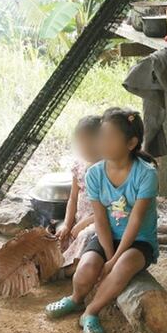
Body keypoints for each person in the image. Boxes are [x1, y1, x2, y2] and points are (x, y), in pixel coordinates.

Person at [44, 108, 159, 333]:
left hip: (139, 240)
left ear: (131, 143)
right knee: (86, 268)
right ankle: (76, 299)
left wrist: (114, 260)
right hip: (107, 235)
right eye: (101, 136)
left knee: (123, 265)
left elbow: (135, 221)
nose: (102, 143)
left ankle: (90, 311)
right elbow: (101, 220)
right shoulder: (94, 174)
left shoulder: (146, 174)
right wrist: (107, 254)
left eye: (110, 137)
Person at [56, 115, 102, 271]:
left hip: (97, 222)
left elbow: (110, 208)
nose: (84, 148)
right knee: (59, 235)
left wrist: (83, 224)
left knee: (86, 236)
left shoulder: (108, 169)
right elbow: (73, 198)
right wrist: (68, 224)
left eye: (88, 143)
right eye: (80, 143)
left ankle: (65, 271)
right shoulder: (79, 166)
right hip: (78, 221)